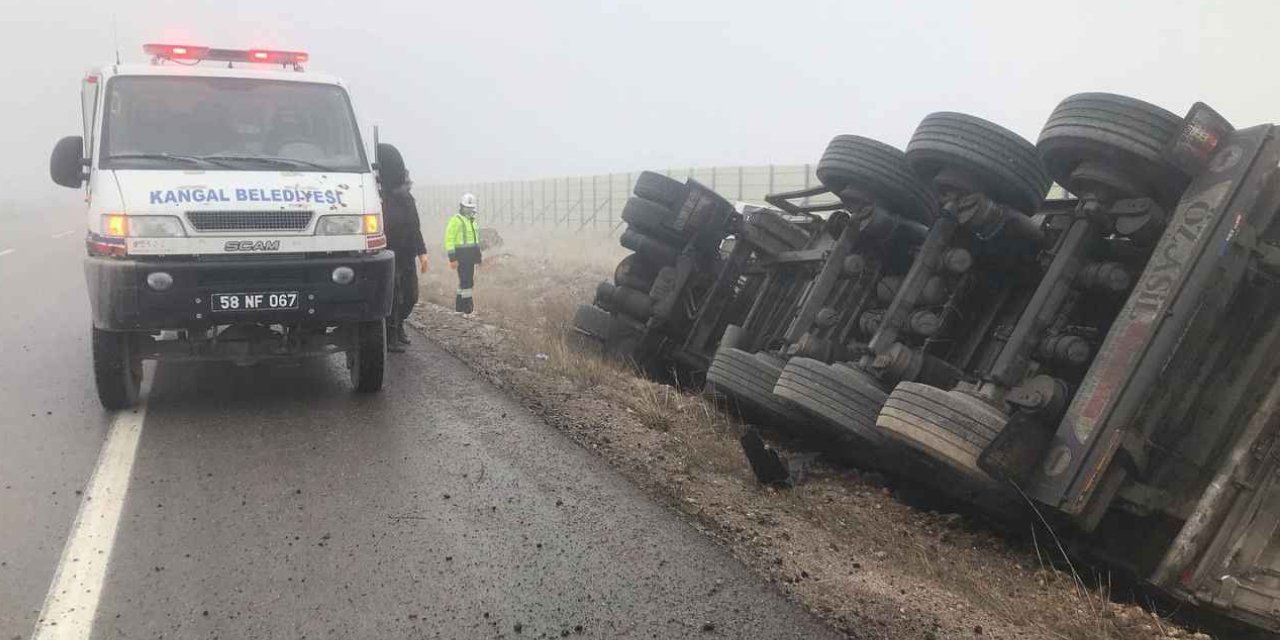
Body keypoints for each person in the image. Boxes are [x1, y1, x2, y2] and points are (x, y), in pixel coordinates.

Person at [376, 143, 428, 352]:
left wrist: (422, 252)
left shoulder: (408, 200)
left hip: (407, 255)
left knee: (411, 295)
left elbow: (415, 227)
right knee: (395, 297)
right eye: (405, 180)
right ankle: (391, 334)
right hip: (389, 253)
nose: (408, 184)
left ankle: (399, 327)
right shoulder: (382, 200)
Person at [444, 193, 483, 314]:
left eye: (471, 208)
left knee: (466, 281)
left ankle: (460, 307)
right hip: (461, 256)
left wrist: (478, 256)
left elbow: (475, 240)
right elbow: (449, 239)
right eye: (467, 207)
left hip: (470, 256)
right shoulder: (456, 220)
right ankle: (467, 308)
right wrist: (452, 257)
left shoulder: (472, 221)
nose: (469, 210)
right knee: (466, 281)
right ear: (461, 207)